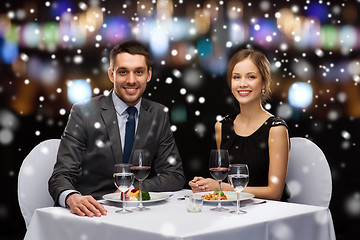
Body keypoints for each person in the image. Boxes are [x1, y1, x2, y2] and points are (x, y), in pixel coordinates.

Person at [49, 40, 186, 217]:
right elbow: (60, 176)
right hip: (94, 214)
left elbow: (174, 175)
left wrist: (132, 190)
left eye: (139, 72)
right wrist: (72, 197)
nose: (131, 80)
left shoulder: (157, 114)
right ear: (111, 75)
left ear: (148, 75)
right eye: (123, 72)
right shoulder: (83, 112)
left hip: (141, 214)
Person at [189, 48, 290, 201]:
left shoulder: (276, 129)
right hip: (232, 212)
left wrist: (220, 187)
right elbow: (222, 182)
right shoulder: (221, 127)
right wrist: (204, 186)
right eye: (236, 77)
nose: (242, 84)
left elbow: (274, 193)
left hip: (268, 213)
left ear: (264, 83)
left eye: (251, 77)